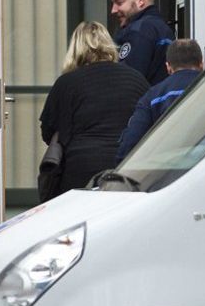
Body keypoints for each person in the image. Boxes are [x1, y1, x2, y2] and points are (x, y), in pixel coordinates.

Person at [39, 21, 150, 196]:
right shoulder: (136, 79)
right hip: (127, 165)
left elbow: (48, 131)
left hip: (80, 168)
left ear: (75, 48)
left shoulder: (67, 83)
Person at [115, 39, 203, 163]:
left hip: (170, 170)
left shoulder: (153, 96)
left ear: (168, 67)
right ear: (201, 64)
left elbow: (130, 144)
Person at [111, 0, 175, 85]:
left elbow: (127, 80)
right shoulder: (162, 29)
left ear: (140, 0)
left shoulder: (140, 30)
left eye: (119, 2)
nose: (113, 10)